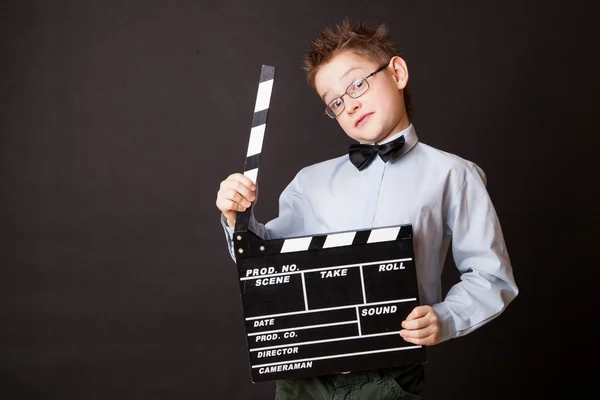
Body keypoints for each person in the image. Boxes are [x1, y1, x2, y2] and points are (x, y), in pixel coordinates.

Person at [215, 18, 518, 400]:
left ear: (397, 72)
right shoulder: (309, 182)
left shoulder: (453, 175)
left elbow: (491, 277)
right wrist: (237, 220)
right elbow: (268, 263)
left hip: (388, 376)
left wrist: (445, 318)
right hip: (305, 374)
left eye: (357, 84)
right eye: (335, 102)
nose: (350, 103)